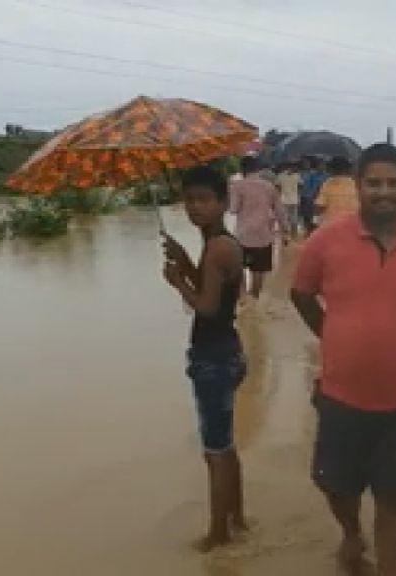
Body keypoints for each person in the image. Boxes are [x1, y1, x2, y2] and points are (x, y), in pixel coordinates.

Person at [290, 142, 396, 576]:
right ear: (358, 186)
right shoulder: (325, 241)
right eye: (374, 183)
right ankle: (350, 533)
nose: (385, 192)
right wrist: (334, 336)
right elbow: (301, 294)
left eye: (395, 183)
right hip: (340, 395)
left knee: (393, 496)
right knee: (335, 486)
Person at [160, 165, 248, 552]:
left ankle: (218, 532)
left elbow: (208, 308)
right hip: (227, 350)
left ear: (223, 202)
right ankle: (238, 518)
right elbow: (220, 290)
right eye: (189, 200)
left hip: (213, 355)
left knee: (214, 451)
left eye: (203, 200)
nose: (195, 207)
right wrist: (185, 261)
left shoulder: (218, 246)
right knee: (225, 446)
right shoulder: (220, 243)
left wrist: (177, 282)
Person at [229, 156, 289, 300]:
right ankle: (254, 297)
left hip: (243, 235)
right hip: (264, 235)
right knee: (259, 270)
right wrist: (285, 231)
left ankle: (243, 297)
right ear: (258, 169)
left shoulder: (237, 186)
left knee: (240, 267)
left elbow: (233, 209)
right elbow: (280, 211)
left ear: (242, 169)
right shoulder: (269, 186)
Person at [315, 156, 360, 223]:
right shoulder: (356, 185)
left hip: (331, 224)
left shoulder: (327, 184)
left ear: (331, 169)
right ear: (347, 169)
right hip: (352, 224)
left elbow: (320, 206)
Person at [300, 157, 327, 235]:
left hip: (323, 198)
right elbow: (310, 187)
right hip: (311, 198)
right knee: (309, 215)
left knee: (320, 217)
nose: (322, 167)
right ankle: (309, 231)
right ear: (317, 166)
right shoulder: (313, 175)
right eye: (320, 165)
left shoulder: (327, 175)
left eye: (323, 165)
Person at [275, 162, 302, 239]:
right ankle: (290, 236)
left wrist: (297, 195)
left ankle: (289, 236)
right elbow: (300, 186)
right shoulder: (296, 176)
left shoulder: (281, 176)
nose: (297, 169)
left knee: (290, 219)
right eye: (296, 167)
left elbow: (277, 187)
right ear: (291, 167)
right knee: (291, 219)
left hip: (289, 201)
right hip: (289, 201)